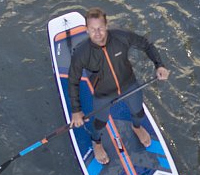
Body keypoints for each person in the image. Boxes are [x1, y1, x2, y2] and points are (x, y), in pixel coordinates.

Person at [68, 9, 169, 164]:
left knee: (138, 113)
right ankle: (97, 143)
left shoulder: (121, 36)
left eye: (100, 28)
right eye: (93, 29)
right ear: (87, 30)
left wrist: (159, 65)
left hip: (129, 85)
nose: (97, 33)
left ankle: (136, 128)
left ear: (106, 26)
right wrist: (76, 111)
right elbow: (73, 81)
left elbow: (146, 45)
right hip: (103, 93)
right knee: (99, 124)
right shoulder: (81, 53)